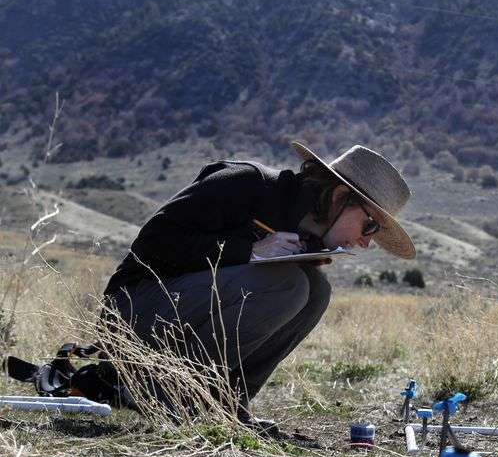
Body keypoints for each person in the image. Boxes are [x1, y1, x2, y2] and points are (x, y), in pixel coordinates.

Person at [102, 141, 415, 429]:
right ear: (338, 197)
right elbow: (154, 242)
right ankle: (174, 392)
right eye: (370, 225)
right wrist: (248, 251)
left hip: (175, 313)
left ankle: (226, 403)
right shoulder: (246, 182)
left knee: (316, 291)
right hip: (130, 311)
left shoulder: (303, 234)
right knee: (290, 286)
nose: (367, 242)